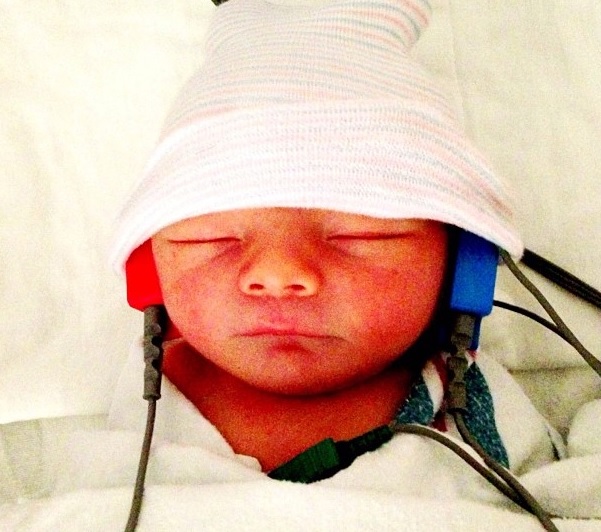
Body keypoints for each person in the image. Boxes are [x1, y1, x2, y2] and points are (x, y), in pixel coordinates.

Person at [108, 0, 557, 484]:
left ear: (465, 266)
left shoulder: (476, 409)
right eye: (211, 239)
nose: (278, 275)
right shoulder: (139, 414)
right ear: (148, 271)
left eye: (358, 235)